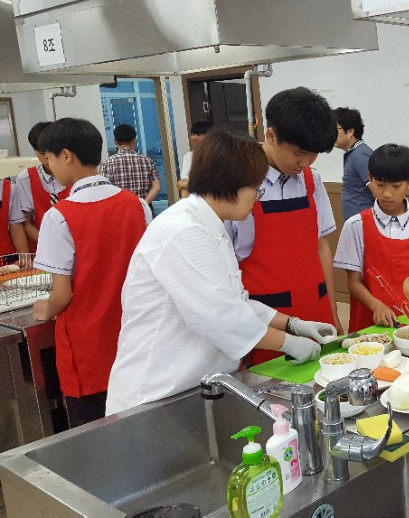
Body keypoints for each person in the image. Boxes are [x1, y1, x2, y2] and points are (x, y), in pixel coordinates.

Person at [105, 131, 337, 415]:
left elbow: (237, 301)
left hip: (192, 388)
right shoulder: (183, 231)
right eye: (255, 189)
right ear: (230, 184)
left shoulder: (210, 226)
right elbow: (222, 317)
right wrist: (289, 343)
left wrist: (293, 324)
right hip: (155, 395)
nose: (257, 198)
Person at [31, 118, 152, 427]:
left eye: (49, 159)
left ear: (66, 156)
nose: (49, 167)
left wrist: (45, 309)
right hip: (135, 339)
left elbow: (62, 294)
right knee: (140, 427)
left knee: (95, 435)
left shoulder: (59, 217)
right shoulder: (137, 205)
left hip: (88, 351)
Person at [225, 87, 342, 364]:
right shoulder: (239, 182)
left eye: (314, 155)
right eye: (299, 153)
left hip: (315, 309)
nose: (305, 163)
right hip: (266, 319)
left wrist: (332, 311)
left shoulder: (311, 179)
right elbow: (227, 263)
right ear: (271, 136)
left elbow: (321, 246)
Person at [334, 144, 409, 331]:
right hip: (368, 327)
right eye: (380, 185)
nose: (387, 193)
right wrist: (376, 306)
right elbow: (353, 282)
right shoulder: (356, 225)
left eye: (396, 186)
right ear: (370, 178)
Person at [17, 121, 70, 252]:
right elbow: (26, 224)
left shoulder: (73, 174)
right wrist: (51, 245)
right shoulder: (25, 179)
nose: (47, 157)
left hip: (74, 245)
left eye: (51, 152)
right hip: (41, 248)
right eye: (41, 153)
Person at [99, 123, 162, 207]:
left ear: (115, 141)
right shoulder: (148, 161)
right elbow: (157, 187)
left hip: (120, 209)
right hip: (144, 210)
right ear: (134, 141)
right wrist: (144, 204)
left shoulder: (106, 164)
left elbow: (104, 190)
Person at [333, 107, 374, 220]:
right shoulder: (353, 153)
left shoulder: (360, 155)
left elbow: (378, 192)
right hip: (357, 224)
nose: (331, 134)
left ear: (350, 132)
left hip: (364, 223)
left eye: (335, 129)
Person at [176, 120, 211, 198]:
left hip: (211, 196)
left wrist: (185, 184)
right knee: (184, 189)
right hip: (193, 196)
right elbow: (184, 180)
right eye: (193, 134)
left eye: (198, 135)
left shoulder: (215, 155)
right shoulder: (188, 156)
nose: (194, 138)